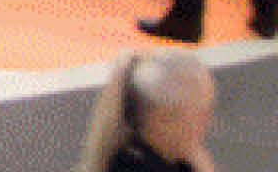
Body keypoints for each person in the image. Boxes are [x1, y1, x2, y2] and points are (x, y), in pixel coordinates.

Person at [76, 50, 220, 171]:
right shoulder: (135, 166)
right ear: (163, 118)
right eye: (201, 114)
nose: (209, 122)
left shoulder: (179, 159)